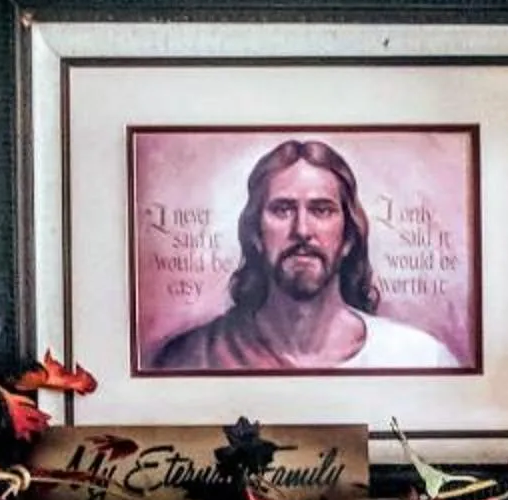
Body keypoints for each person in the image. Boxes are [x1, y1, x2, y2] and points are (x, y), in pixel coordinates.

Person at [146, 138, 464, 373]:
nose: (302, 230)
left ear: (349, 237)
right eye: (282, 209)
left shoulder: (419, 358)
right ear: (255, 233)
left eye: (321, 210)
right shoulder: (189, 357)